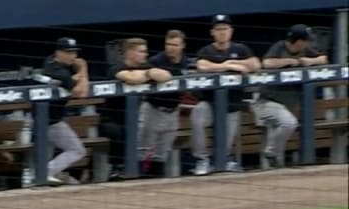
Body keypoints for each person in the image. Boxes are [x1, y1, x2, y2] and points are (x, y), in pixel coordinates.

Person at [191, 14, 260, 175]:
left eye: (225, 29)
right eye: (218, 29)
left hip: (232, 102)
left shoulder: (240, 49)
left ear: (231, 31)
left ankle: (225, 159)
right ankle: (202, 159)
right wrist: (226, 65)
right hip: (208, 100)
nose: (222, 32)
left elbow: (256, 64)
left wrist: (234, 63)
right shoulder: (206, 50)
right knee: (198, 115)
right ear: (212, 32)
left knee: (227, 139)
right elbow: (202, 66)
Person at [256, 24, 329, 168]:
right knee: (289, 123)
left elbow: (324, 59)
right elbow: (266, 63)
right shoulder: (280, 47)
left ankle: (272, 163)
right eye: (306, 40)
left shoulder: (305, 50)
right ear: (298, 41)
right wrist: (290, 61)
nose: (308, 43)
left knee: (284, 125)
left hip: (286, 105)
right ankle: (271, 153)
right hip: (267, 102)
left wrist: (310, 61)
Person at [109, 38, 174, 176]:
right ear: (130, 52)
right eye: (141, 51)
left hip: (141, 118)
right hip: (116, 118)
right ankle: (119, 169)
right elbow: (130, 78)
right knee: (119, 131)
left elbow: (167, 76)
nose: (145, 54)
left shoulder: (146, 66)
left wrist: (147, 73)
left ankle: (151, 171)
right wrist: (148, 74)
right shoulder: (116, 67)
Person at [141, 30, 191, 176]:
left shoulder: (186, 62)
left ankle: (156, 180)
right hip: (153, 109)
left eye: (175, 45)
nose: (171, 48)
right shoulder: (156, 61)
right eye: (168, 44)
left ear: (182, 45)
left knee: (162, 152)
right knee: (146, 151)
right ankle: (141, 180)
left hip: (173, 111)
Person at [40, 37, 89, 186]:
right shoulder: (59, 71)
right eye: (68, 52)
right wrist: (83, 69)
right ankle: (46, 172)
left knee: (42, 157)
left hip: (42, 119)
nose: (73, 56)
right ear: (58, 53)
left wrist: (74, 78)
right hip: (50, 121)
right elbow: (81, 93)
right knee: (77, 150)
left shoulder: (50, 61)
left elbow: (69, 81)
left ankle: (42, 175)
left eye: (74, 52)